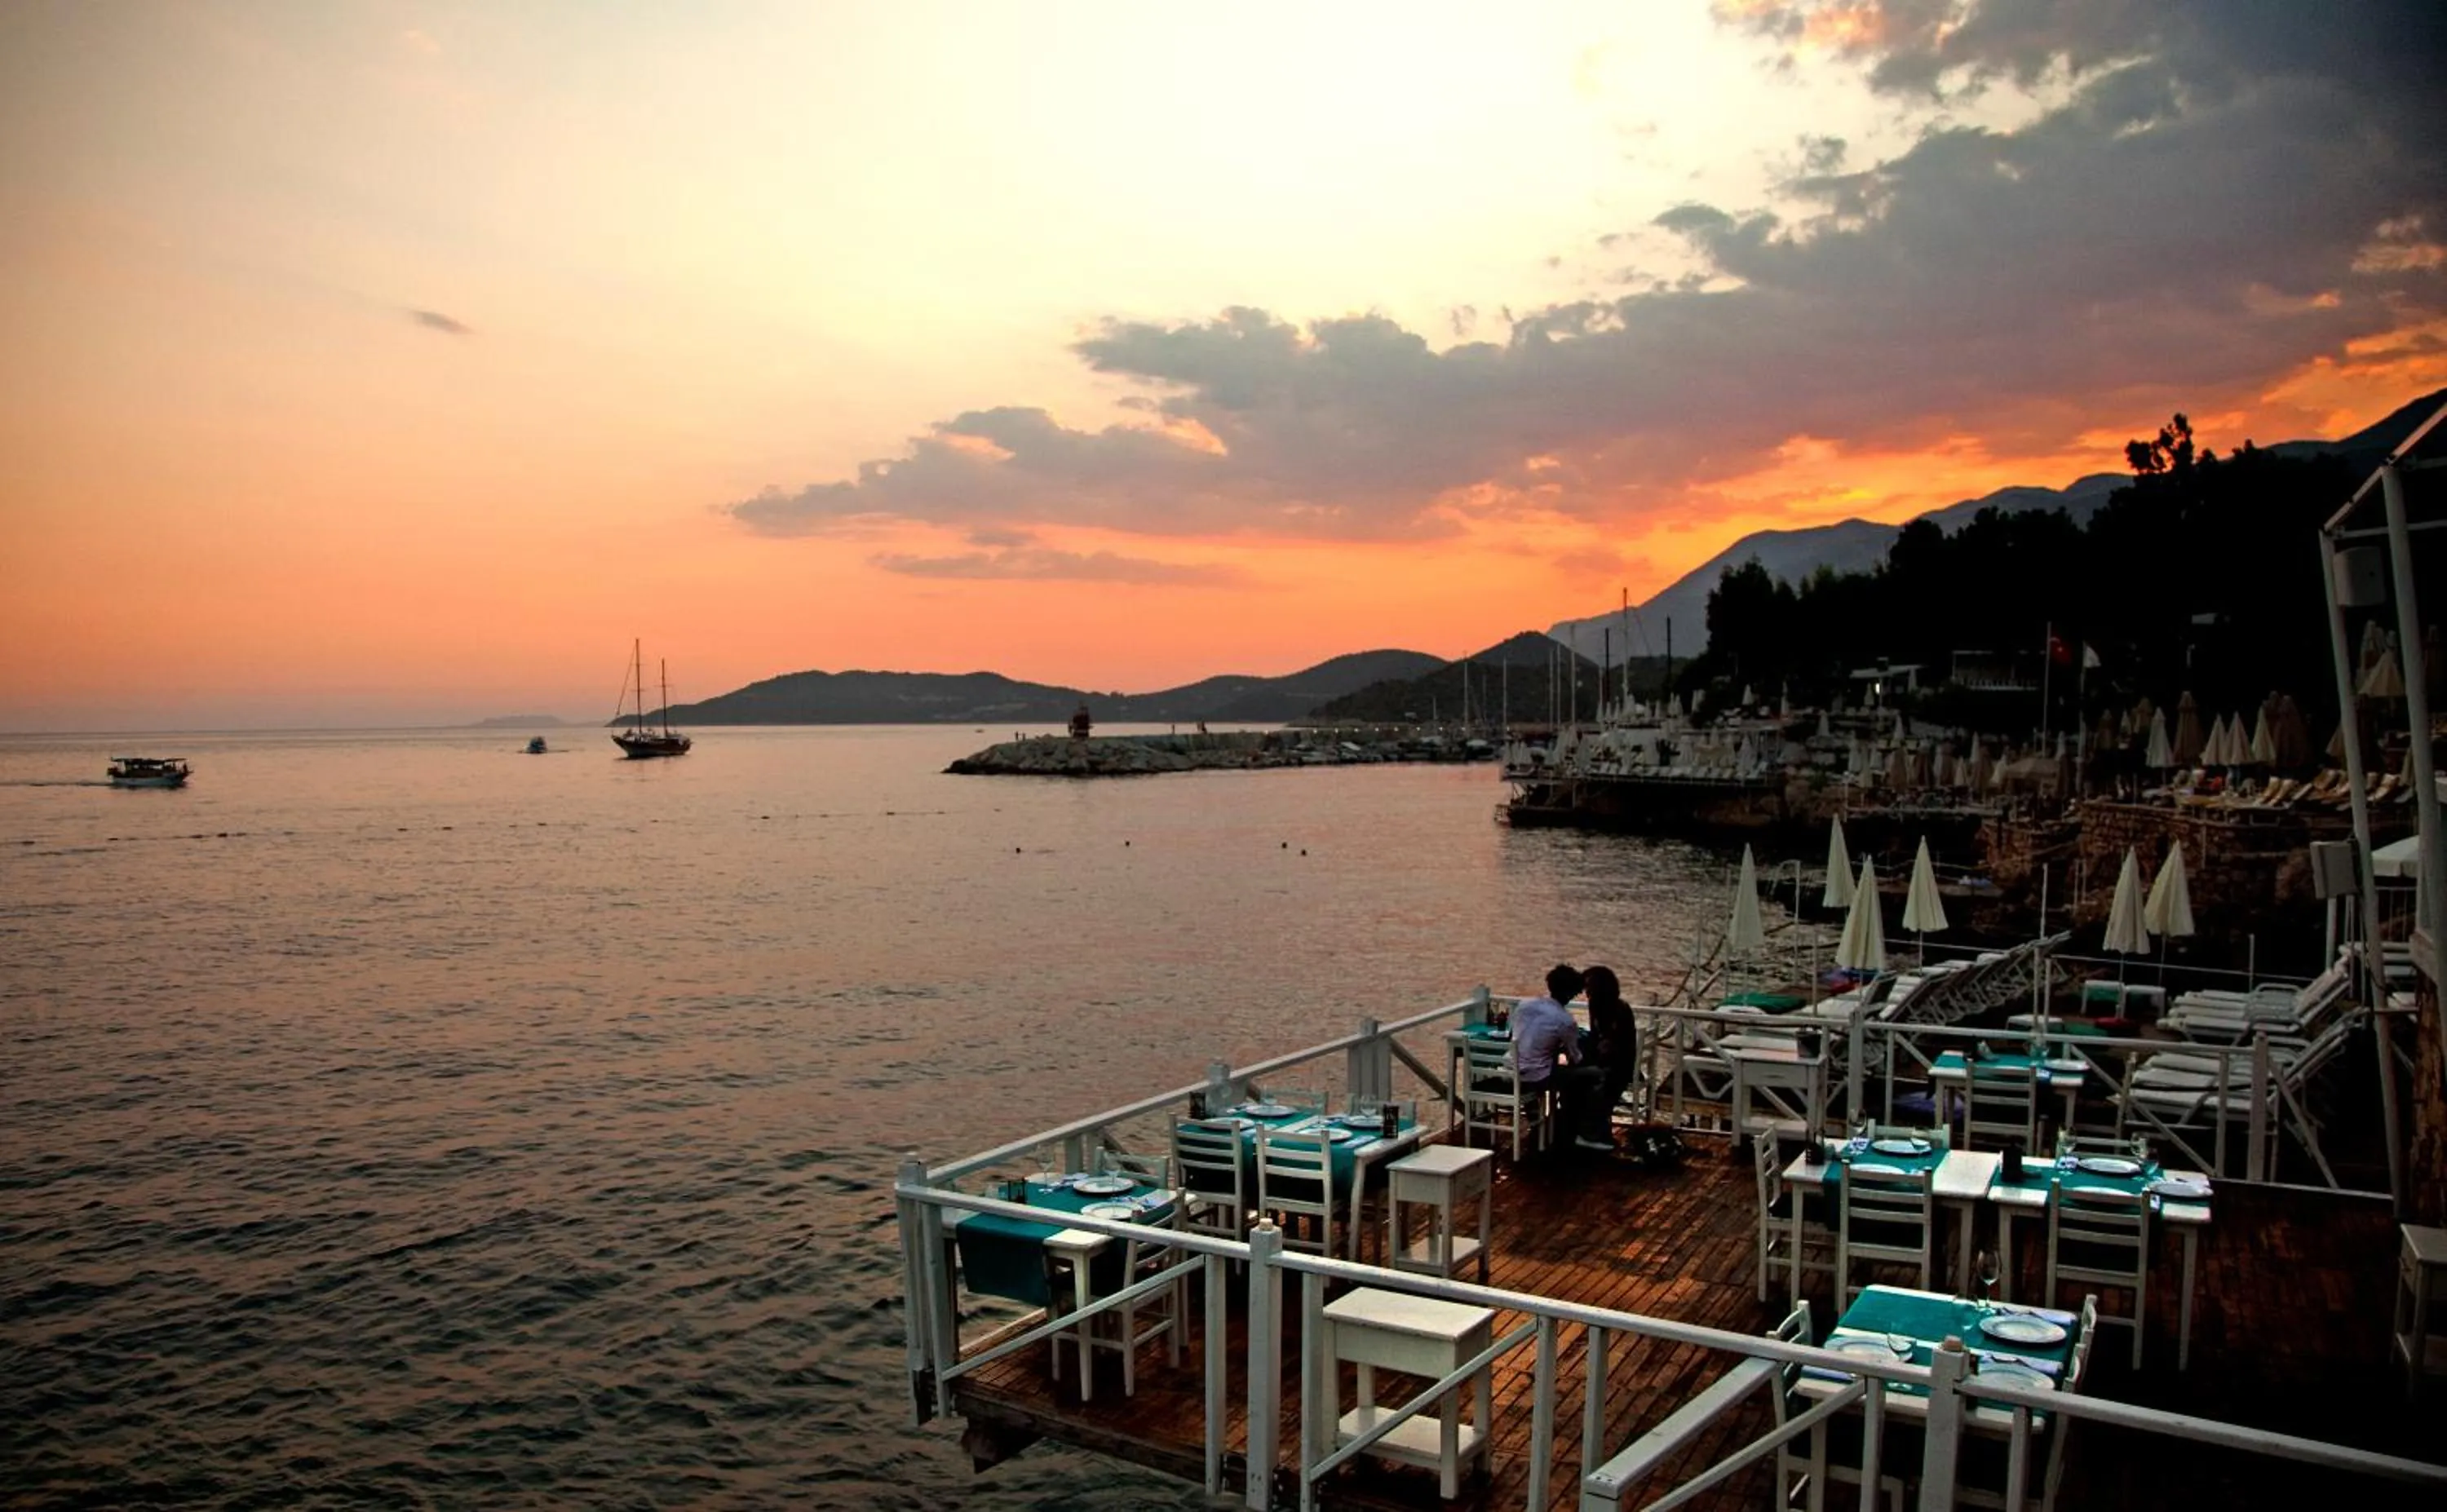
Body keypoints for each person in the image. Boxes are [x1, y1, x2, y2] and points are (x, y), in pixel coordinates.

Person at [1511, 964, 1611, 1153]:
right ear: (1571, 994)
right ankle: (1587, 1130)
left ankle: (1539, 1123)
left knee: (1549, 1071)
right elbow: (1576, 1057)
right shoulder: (1564, 1020)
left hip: (1511, 1069)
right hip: (1536, 1077)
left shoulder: (1524, 1005)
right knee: (1593, 1075)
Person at [1581, 966, 1639, 1138]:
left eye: (1589, 987)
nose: (1586, 992)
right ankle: (1585, 1129)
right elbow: (1595, 1038)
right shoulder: (1595, 1005)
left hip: (1618, 1067)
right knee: (1574, 1078)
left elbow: (1612, 1046)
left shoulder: (1619, 1010)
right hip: (1604, 1062)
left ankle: (1590, 1131)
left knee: (1576, 1080)